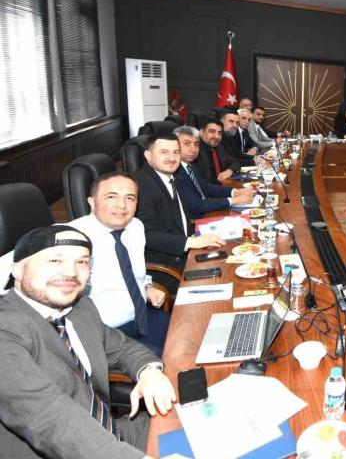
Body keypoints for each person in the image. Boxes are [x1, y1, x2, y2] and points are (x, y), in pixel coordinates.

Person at [0, 225, 176, 458]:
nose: (71, 272)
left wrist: (149, 372)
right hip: (63, 450)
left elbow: (122, 348)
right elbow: (48, 416)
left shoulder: (80, 308)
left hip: (110, 433)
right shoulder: (6, 328)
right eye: (55, 260)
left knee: (203, 425)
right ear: (18, 270)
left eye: (82, 262)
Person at [67, 173, 170, 357]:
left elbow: (133, 272)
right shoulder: (72, 236)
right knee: (161, 360)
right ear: (92, 202)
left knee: (191, 336)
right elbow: (17, 265)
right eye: (112, 197)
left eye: (130, 198)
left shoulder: (135, 226)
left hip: (142, 315)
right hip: (104, 332)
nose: (122, 205)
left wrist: (147, 287)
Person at [133, 134, 225, 270]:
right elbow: (145, 235)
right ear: (148, 155)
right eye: (164, 152)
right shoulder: (140, 185)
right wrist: (190, 242)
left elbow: (178, 220)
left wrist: (196, 236)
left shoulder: (170, 177)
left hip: (186, 251)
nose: (172, 158)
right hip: (167, 265)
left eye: (176, 152)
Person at [174, 126, 257, 218]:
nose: (193, 149)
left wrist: (235, 192)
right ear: (174, 146)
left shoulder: (191, 165)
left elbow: (206, 187)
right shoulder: (175, 172)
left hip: (208, 210)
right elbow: (197, 205)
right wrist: (235, 200)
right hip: (196, 220)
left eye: (196, 144)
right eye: (187, 144)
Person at [194, 118, 243, 184]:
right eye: (212, 131)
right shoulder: (195, 150)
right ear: (201, 132)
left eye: (219, 133)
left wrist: (229, 171)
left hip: (223, 186)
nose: (217, 137)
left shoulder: (219, 147)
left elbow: (235, 162)